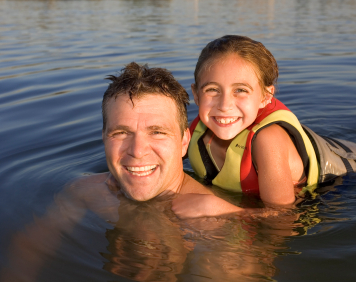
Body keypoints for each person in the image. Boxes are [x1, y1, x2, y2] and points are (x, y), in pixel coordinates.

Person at [1, 62, 238, 281]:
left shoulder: (213, 218)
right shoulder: (85, 192)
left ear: (184, 141)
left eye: (157, 132)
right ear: (104, 137)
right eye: (121, 133)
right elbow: (28, 247)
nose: (137, 151)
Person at [172, 35, 356, 218]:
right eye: (212, 90)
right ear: (195, 94)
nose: (224, 105)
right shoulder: (194, 134)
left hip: (343, 177)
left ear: (265, 97)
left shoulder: (268, 139)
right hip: (329, 148)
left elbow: (284, 218)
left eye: (240, 90)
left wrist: (221, 209)